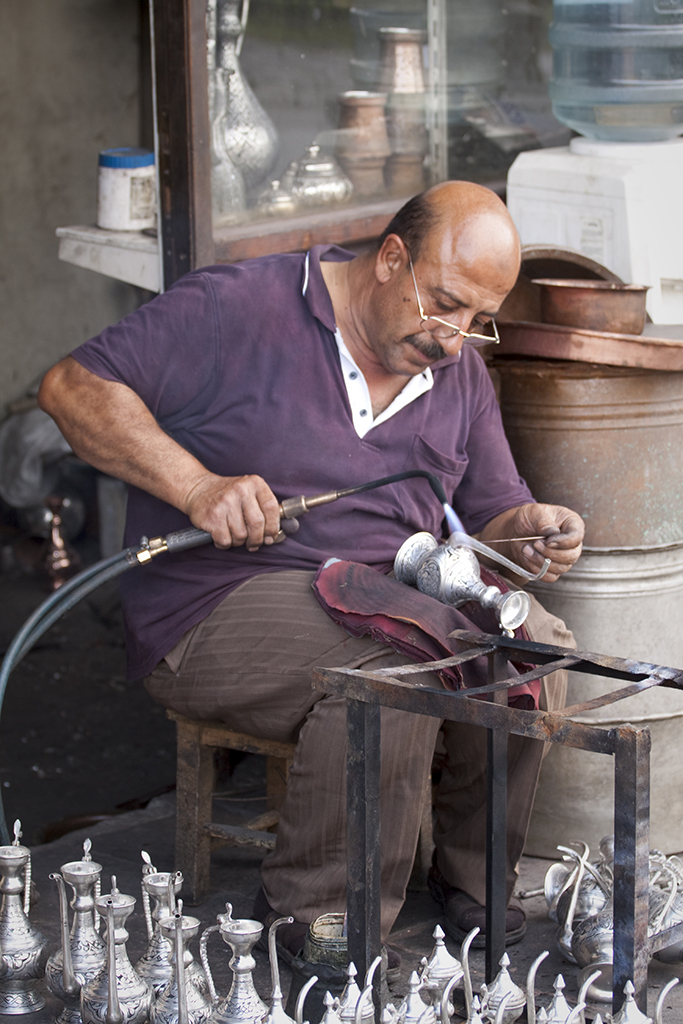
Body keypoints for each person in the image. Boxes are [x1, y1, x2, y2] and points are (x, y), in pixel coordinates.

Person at [39, 181, 583, 960]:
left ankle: (472, 878)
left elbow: (493, 507)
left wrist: (524, 533)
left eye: (477, 320)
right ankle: (322, 919)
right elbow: (73, 388)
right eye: (444, 304)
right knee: (400, 670)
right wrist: (196, 487)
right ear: (391, 259)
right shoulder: (241, 308)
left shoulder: (455, 369)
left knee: (534, 645)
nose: (454, 339)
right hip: (213, 603)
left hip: (388, 596)